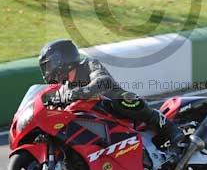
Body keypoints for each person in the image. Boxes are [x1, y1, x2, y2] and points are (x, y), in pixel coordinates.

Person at [39, 39, 185, 147]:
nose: (47, 71)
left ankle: (166, 125)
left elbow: (103, 80)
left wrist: (80, 92)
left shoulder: (89, 64)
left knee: (122, 99)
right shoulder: (63, 89)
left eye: (49, 64)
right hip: (95, 126)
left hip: (115, 110)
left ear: (62, 59)